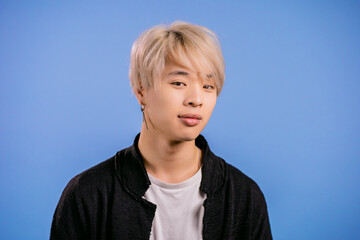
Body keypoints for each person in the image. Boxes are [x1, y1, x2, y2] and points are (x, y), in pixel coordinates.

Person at [50, 21, 272, 240]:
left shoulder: (244, 196)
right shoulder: (88, 194)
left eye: (208, 86)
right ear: (141, 90)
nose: (196, 100)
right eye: (178, 83)